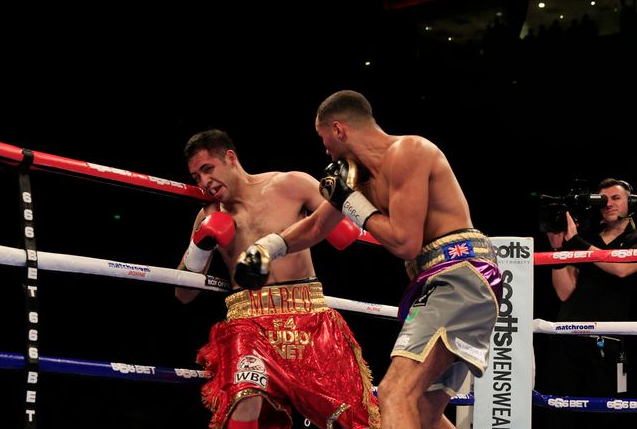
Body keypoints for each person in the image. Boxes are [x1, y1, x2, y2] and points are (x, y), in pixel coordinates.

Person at [234, 90, 503, 429]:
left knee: (393, 393)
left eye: (323, 138)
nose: (325, 150)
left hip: (460, 275)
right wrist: (267, 248)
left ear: (338, 130)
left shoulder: (408, 151)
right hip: (439, 284)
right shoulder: (359, 183)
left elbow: (405, 242)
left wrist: (353, 203)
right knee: (420, 410)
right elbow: (317, 225)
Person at [175, 128, 380, 429]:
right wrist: (200, 243)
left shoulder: (291, 184)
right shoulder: (209, 213)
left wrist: (343, 219)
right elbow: (183, 293)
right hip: (249, 323)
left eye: (208, 170)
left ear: (230, 158)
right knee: (245, 397)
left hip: (309, 317)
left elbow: (345, 225)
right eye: (196, 178)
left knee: (353, 418)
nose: (204, 183)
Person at [544, 178, 637, 429]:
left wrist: (578, 244)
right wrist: (557, 251)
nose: (609, 204)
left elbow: (621, 269)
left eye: (616, 198)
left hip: (606, 340)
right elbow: (565, 292)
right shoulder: (586, 237)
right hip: (567, 335)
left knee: (603, 413)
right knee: (560, 411)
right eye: (603, 199)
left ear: (632, 203)